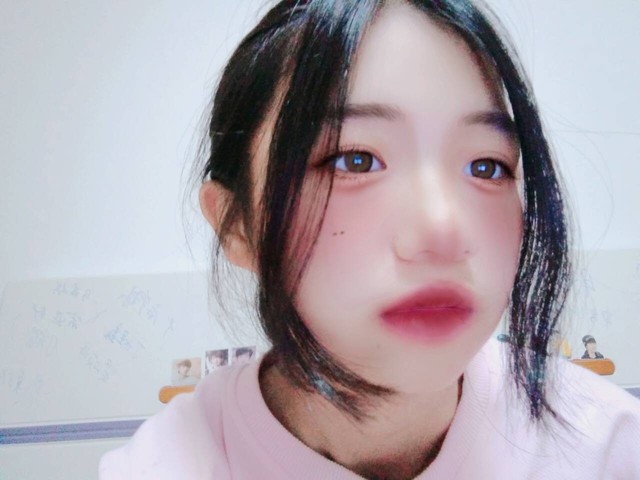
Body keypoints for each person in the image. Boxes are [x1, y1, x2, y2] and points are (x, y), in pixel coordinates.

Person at [99, 1, 640, 478]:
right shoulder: (166, 467)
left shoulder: (608, 449)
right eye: (354, 160)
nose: (444, 233)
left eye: (487, 166)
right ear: (237, 223)